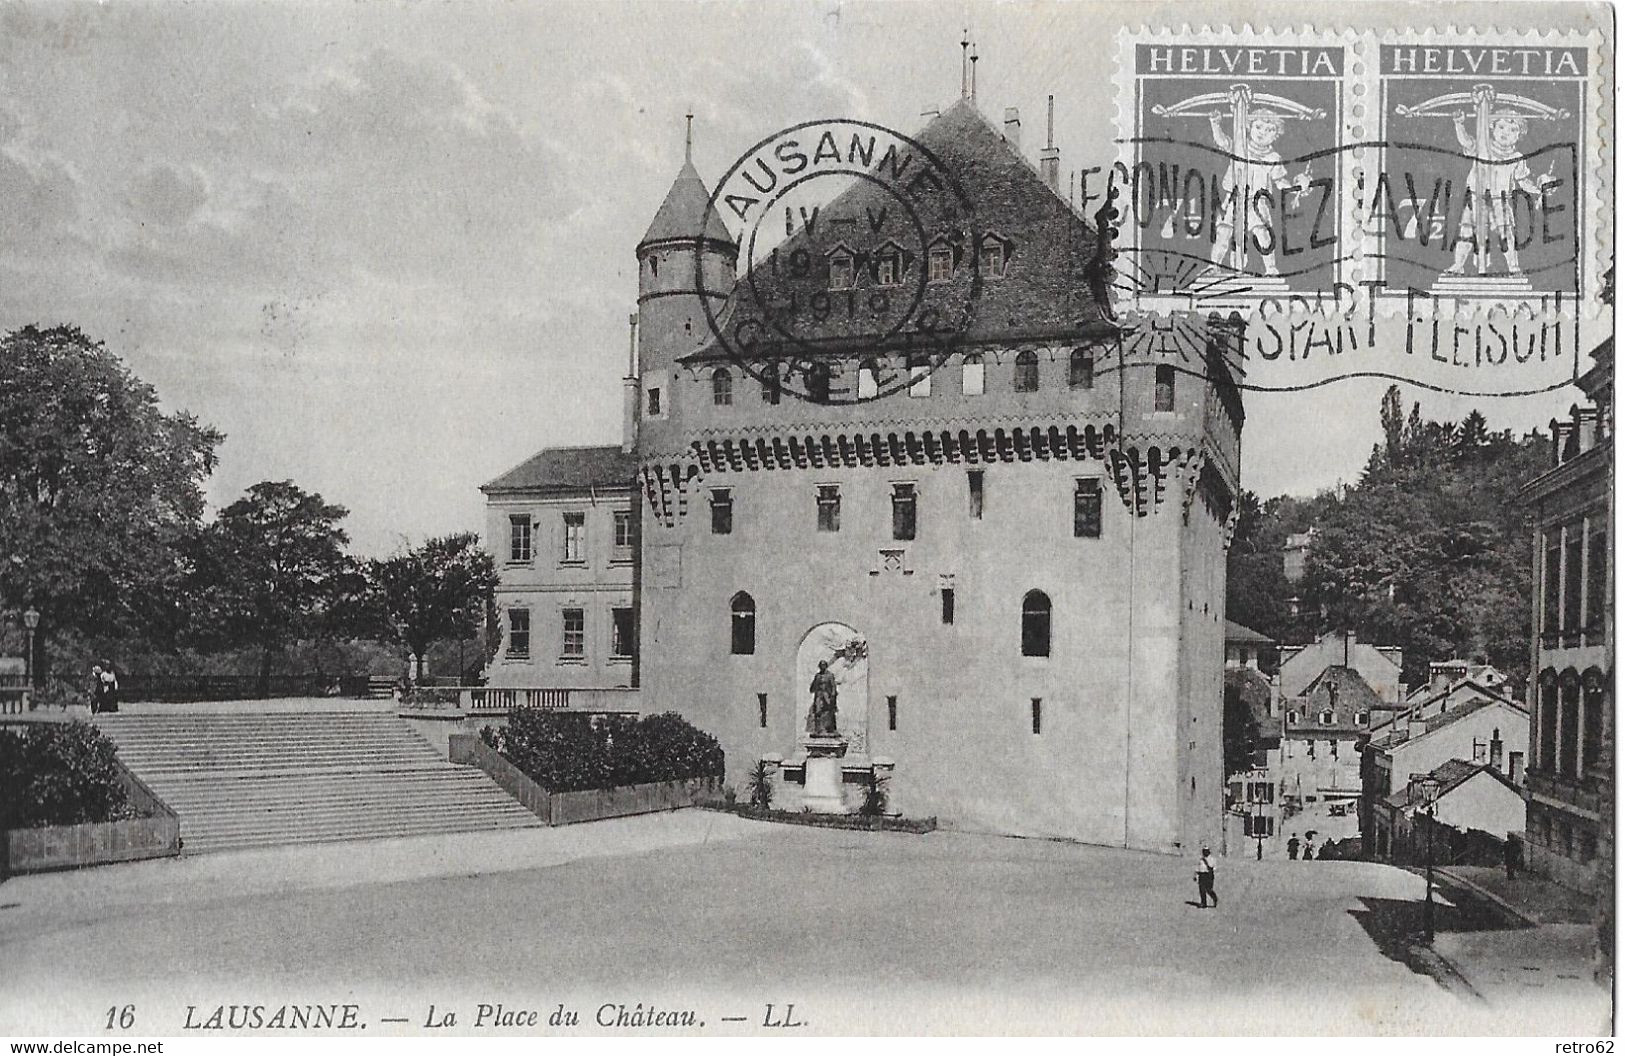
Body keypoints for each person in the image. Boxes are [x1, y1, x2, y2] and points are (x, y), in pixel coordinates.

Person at [807, 660, 838, 736]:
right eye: (821, 665)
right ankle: (818, 729)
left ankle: (829, 729)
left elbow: (833, 686)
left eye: (824, 665)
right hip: (819, 695)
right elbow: (812, 687)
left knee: (829, 712)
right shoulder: (817, 676)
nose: (822, 667)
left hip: (827, 695)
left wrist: (833, 696)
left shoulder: (830, 675)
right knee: (818, 711)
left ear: (826, 666)